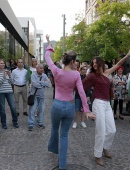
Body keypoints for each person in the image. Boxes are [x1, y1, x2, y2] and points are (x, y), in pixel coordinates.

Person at [45, 35, 95, 170]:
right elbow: (82, 92)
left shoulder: (56, 71)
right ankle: (62, 165)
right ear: (73, 62)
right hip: (70, 107)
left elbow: (47, 58)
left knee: (55, 128)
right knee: (65, 135)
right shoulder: (76, 75)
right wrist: (87, 110)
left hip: (57, 105)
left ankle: (53, 148)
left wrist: (49, 45)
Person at [82, 46, 130, 166]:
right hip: (98, 104)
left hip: (107, 104)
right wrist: (84, 100)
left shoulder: (106, 73)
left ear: (101, 63)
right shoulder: (92, 75)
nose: (94, 65)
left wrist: (128, 55)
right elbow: (80, 87)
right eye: (93, 63)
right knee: (100, 131)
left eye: (96, 63)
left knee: (112, 130)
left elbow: (117, 65)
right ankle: (97, 155)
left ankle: (105, 147)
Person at [0, 59, 19, 129]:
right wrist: (3, 76)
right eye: (1, 63)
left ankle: (15, 122)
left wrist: (9, 75)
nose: (3, 65)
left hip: (9, 91)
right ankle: (4, 123)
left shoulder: (7, 71)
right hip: (0, 92)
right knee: (2, 108)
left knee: (13, 107)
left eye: (3, 63)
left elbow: (12, 82)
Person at [28, 64, 50, 131]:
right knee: (32, 110)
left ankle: (40, 123)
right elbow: (35, 84)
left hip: (42, 96)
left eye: (43, 68)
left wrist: (40, 82)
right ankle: (31, 124)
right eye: (40, 68)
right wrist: (43, 83)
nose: (42, 69)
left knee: (41, 110)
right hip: (34, 96)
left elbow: (48, 84)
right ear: (37, 69)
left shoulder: (44, 75)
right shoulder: (33, 75)